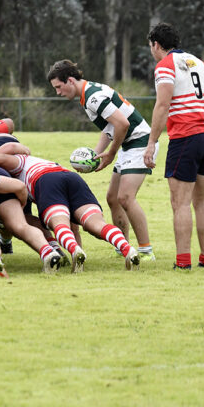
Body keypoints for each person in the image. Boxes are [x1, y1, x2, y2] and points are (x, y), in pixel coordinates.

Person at [47, 60, 156, 263]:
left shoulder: (93, 97)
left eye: (59, 87)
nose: (58, 93)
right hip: (127, 143)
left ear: (70, 80)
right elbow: (110, 129)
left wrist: (111, 154)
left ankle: (146, 250)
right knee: (112, 198)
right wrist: (95, 156)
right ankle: (122, 245)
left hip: (139, 141)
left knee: (125, 197)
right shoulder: (86, 95)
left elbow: (122, 124)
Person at [0, 152, 140, 272]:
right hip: (71, 177)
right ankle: (127, 248)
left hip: (46, 180)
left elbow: (1, 158)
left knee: (59, 223)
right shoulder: (42, 161)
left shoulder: (20, 161)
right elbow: (74, 227)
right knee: (95, 223)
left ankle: (74, 250)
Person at [143, 22, 204, 270]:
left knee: (181, 202)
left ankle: (183, 262)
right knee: (202, 201)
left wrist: (152, 142)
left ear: (156, 44)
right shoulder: (199, 62)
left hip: (186, 137)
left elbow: (163, 105)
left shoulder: (164, 66)